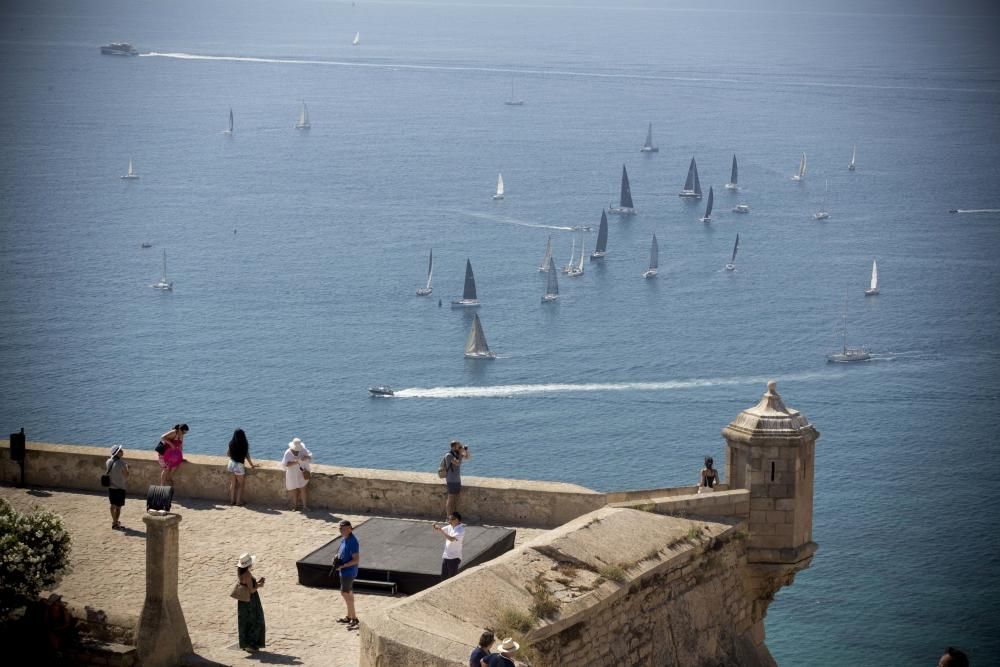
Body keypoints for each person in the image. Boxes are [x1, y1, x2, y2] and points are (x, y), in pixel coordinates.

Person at [235, 552, 266, 652]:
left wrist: (256, 583)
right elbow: (252, 590)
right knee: (255, 621)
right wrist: (259, 585)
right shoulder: (247, 574)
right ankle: (251, 644)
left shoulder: (240, 572)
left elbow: (246, 585)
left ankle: (245, 643)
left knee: (245, 621)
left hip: (243, 601)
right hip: (250, 601)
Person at [333, 520, 361, 629]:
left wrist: (342, 566)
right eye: (340, 529)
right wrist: (336, 558)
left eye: (344, 529)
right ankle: (350, 616)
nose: (341, 531)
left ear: (350, 529)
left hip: (348, 572)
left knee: (345, 593)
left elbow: (356, 560)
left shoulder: (353, 541)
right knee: (348, 593)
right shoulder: (345, 539)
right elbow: (341, 552)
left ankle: (354, 618)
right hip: (344, 571)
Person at [281, 437, 312, 511]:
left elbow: (310, 457)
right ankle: (295, 506)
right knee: (294, 489)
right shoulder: (288, 452)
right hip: (292, 473)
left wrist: (306, 457)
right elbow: (286, 464)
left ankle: (305, 506)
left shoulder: (303, 450)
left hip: (302, 472)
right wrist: (296, 462)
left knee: (303, 489)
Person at [442, 439, 471, 517]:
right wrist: (460, 454)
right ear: (454, 447)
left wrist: (465, 451)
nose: (460, 446)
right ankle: (448, 517)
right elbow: (458, 463)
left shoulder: (456, 453)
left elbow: (467, 457)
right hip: (451, 480)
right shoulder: (449, 455)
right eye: (459, 445)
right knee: (451, 498)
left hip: (457, 479)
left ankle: (453, 516)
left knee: (455, 499)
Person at [227, 428, 255, 506]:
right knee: (240, 484)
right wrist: (252, 465)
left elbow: (228, 454)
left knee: (233, 483)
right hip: (239, 466)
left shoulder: (231, 443)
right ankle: (238, 501)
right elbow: (247, 456)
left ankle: (232, 501)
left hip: (231, 464)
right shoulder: (244, 444)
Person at [433, 512, 465, 580]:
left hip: (454, 557)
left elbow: (451, 539)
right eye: (448, 519)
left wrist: (441, 530)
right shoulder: (450, 526)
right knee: (443, 577)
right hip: (446, 556)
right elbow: (438, 529)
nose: (449, 521)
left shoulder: (460, 530)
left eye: (451, 519)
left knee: (453, 578)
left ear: (456, 520)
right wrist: (435, 526)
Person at [106, 444, 129, 529]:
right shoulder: (122, 463)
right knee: (118, 507)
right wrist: (127, 468)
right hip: (120, 487)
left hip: (111, 487)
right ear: (117, 453)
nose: (122, 451)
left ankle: (114, 521)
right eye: (120, 450)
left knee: (112, 505)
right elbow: (126, 475)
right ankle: (115, 523)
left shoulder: (108, 461)